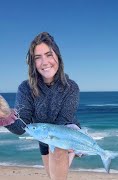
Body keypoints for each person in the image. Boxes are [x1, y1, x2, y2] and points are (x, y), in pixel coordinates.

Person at [3, 32, 80, 180]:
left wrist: (74, 144)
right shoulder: (25, 88)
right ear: (32, 63)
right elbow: (21, 127)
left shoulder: (71, 88)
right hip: (43, 138)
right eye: (38, 58)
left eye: (49, 54)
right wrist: (4, 116)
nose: (44, 62)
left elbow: (61, 125)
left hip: (68, 136)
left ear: (58, 56)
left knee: (58, 152)